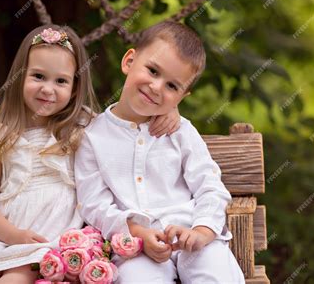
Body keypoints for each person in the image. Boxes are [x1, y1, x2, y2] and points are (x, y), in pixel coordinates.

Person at [0, 24, 180, 284]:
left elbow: (128, 123)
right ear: (20, 76)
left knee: (12, 281)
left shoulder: (83, 126)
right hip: (0, 235)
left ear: (75, 88)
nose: (48, 89)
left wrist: (168, 110)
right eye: (38, 76)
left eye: (60, 81)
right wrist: (12, 234)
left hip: (47, 243)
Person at [75, 21, 246, 283]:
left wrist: (201, 230)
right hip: (135, 246)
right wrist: (137, 232)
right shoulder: (93, 137)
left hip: (190, 233)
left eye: (172, 86)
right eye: (153, 71)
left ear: (181, 97)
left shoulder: (181, 132)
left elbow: (210, 186)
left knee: (216, 274)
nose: (156, 87)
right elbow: (93, 204)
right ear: (129, 61)